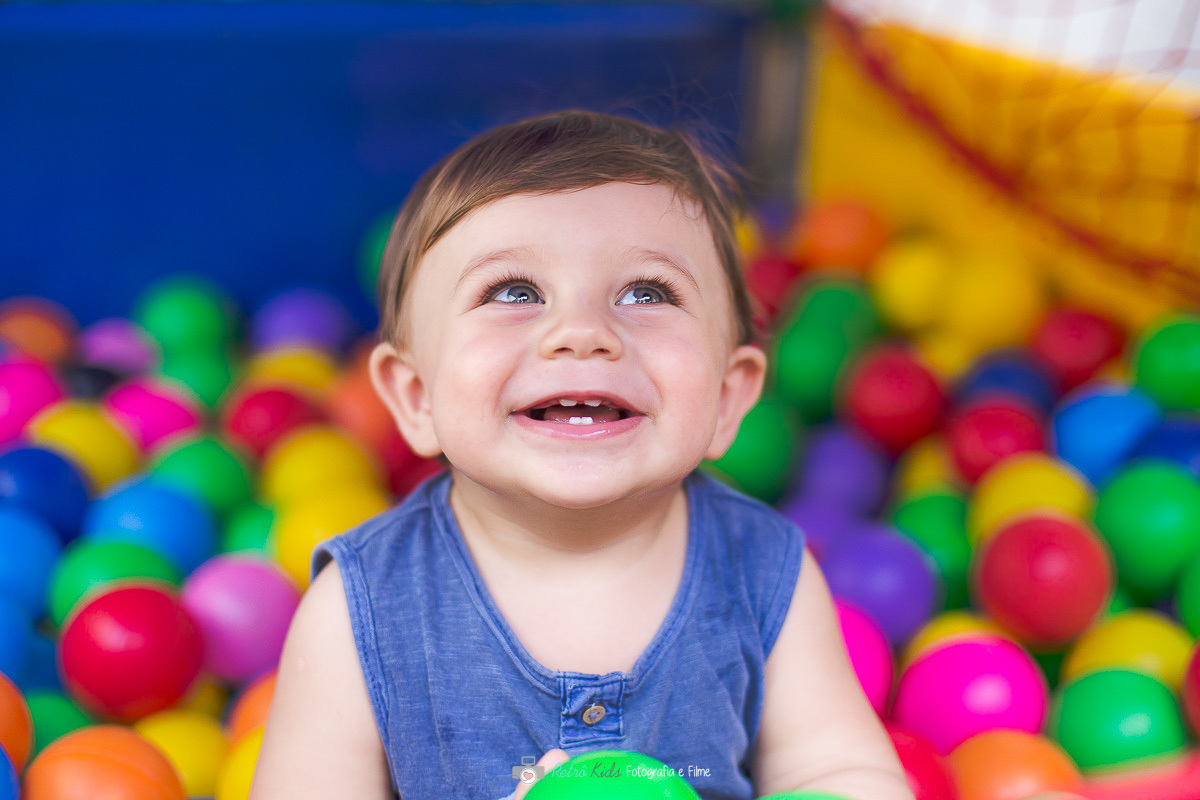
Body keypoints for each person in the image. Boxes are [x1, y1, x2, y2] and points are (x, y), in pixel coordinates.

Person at [251, 110, 913, 800]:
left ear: (727, 396)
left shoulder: (766, 573)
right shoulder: (360, 612)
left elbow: (842, 774)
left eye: (645, 292)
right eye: (513, 292)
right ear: (416, 397)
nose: (581, 332)